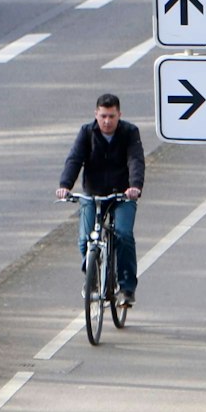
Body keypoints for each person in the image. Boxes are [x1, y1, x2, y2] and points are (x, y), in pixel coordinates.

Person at [55, 92, 145, 307]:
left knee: (123, 234)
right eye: (103, 116)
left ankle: (126, 288)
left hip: (121, 194)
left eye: (112, 116)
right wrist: (65, 186)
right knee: (85, 239)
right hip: (93, 193)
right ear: (96, 114)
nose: (107, 121)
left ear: (119, 115)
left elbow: (136, 160)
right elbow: (75, 159)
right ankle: (93, 277)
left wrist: (135, 186)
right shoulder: (87, 133)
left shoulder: (129, 133)